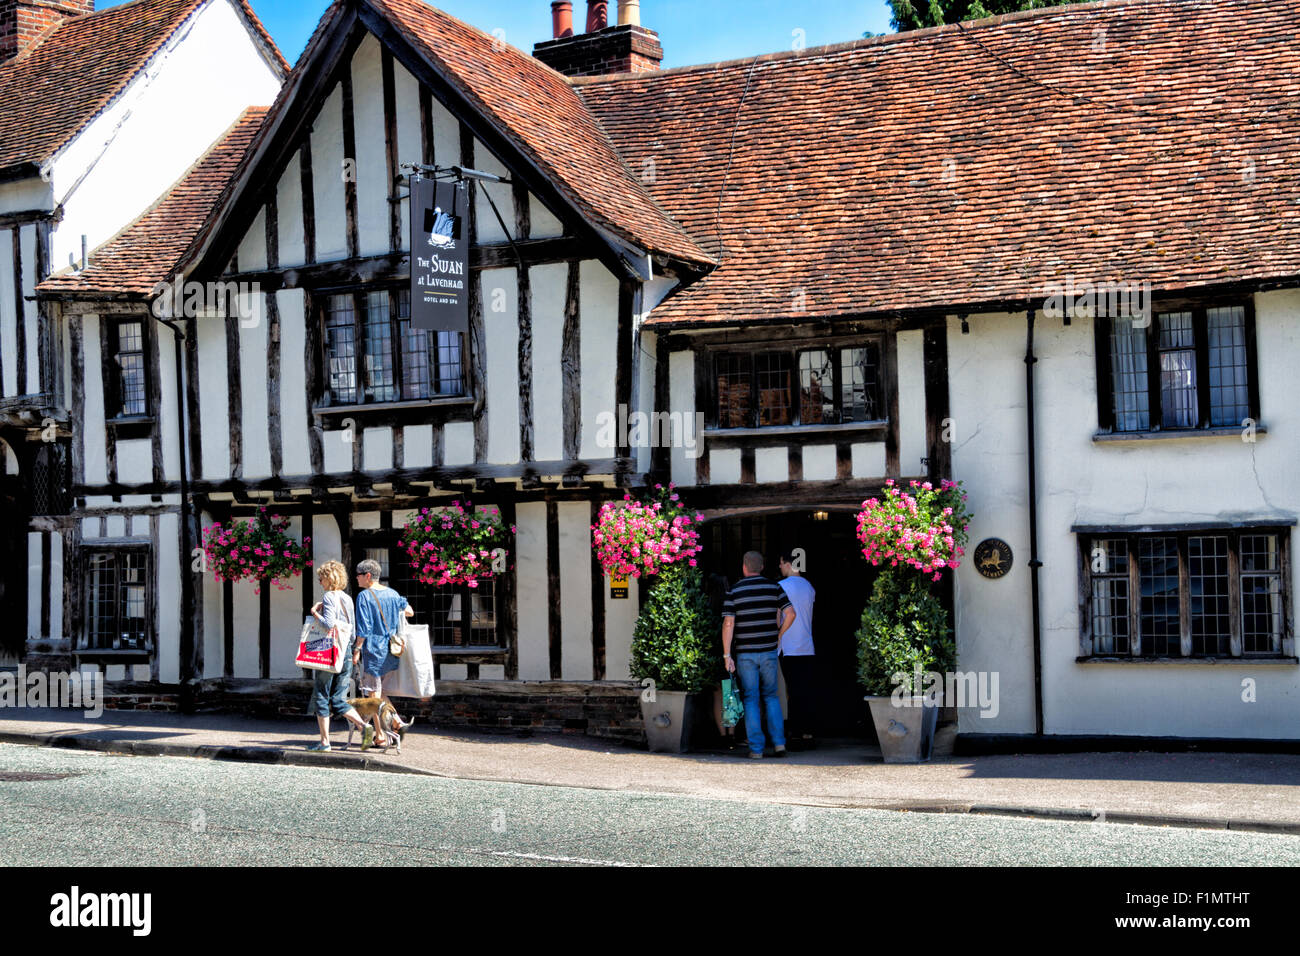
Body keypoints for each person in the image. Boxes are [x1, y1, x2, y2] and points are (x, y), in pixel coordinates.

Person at [722, 551, 796, 759]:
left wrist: (727, 655)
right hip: (769, 651)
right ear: (762, 567)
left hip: (745, 653)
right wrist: (779, 635)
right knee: (771, 697)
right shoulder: (774, 587)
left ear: (744, 567)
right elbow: (791, 613)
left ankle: (756, 749)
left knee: (751, 699)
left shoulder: (734, 591)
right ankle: (779, 744)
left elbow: (729, 623)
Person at [305, 560, 370, 751]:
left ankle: (325, 742)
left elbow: (329, 625)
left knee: (321, 696)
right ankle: (364, 726)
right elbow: (352, 629)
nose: (319, 581)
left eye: (321, 578)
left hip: (329, 652)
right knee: (339, 699)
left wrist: (314, 613)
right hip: (346, 653)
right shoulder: (348, 598)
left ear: (329, 578)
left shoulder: (328, 597)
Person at [353, 559, 414, 747]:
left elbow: (364, 628)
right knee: (380, 693)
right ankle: (397, 723)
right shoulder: (393, 594)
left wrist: (356, 649)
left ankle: (380, 736)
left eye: (359, 575)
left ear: (368, 576)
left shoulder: (364, 596)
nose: (356, 578)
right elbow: (409, 612)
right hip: (391, 650)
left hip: (373, 650)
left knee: (373, 696)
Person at [778, 551, 818, 749]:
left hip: (788, 646)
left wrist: (777, 635)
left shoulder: (782, 586)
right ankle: (808, 732)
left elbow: (778, 616)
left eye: (781, 563)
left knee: (790, 692)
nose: (780, 567)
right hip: (806, 645)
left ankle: (793, 734)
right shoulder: (809, 587)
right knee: (805, 690)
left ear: (787, 563)